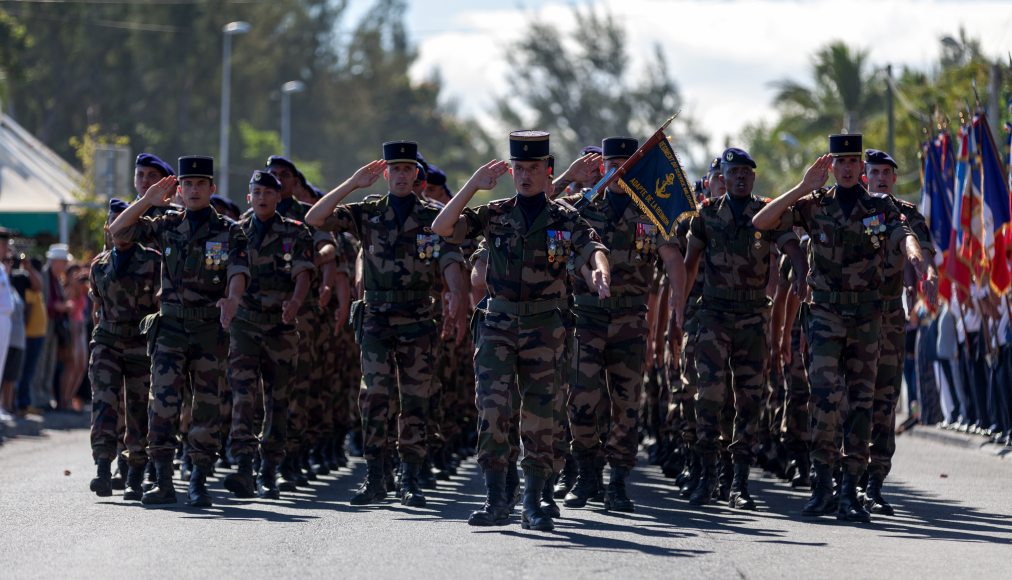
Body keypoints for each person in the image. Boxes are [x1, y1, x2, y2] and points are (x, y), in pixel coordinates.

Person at [431, 130, 610, 532]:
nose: (525, 175)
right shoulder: (495, 212)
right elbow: (443, 227)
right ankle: (497, 499)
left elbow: (593, 249)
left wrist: (600, 273)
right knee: (493, 412)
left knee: (540, 415)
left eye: (533, 168)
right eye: (519, 168)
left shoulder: (564, 218)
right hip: (497, 325)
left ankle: (534, 502)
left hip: (545, 329)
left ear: (548, 172)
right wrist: (473, 185)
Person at [752, 134, 930, 523]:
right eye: (841, 161)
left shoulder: (879, 206)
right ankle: (822, 486)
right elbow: (761, 221)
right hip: (825, 318)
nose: (848, 168)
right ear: (830, 165)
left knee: (861, 405)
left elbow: (905, 237)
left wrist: (916, 263)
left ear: (861, 168)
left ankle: (851, 489)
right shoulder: (815, 206)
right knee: (826, 399)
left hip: (868, 321)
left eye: (854, 162)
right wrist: (802, 186)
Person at [306, 141, 467, 508]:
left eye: (407, 169)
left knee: (415, 399)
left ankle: (411, 478)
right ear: (386, 174)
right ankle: (376, 477)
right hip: (376, 320)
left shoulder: (433, 217)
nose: (400, 175)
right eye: (394, 169)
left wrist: (456, 296)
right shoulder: (368, 213)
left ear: (416, 175)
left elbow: (450, 259)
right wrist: (352, 183)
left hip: (417, 320)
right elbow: (315, 218)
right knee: (375, 397)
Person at [110, 155, 248, 508]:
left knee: (205, 405)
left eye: (200, 184)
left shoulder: (230, 230)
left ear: (212, 189)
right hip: (170, 327)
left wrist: (232, 299)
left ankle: (199, 479)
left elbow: (237, 271)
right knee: (164, 404)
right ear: (180, 189)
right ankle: (163, 480)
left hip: (207, 327)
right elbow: (119, 231)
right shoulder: (167, 223)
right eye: (187, 184)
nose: (194, 190)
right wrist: (147, 200)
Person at [563, 136, 687, 513]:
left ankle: (617, 480)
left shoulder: (650, 212)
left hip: (630, 320)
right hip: (586, 317)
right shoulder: (580, 208)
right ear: (602, 167)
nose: (619, 171)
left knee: (626, 404)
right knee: (582, 401)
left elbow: (673, 261)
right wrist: (568, 175)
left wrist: (679, 308)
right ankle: (587, 474)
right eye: (613, 164)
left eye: (626, 164)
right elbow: (541, 205)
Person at [682, 148, 805, 509]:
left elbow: (790, 246)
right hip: (714, 316)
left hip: (753, 317)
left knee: (750, 399)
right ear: (722, 175)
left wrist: (800, 270)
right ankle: (706, 475)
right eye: (733, 172)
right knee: (710, 397)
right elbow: (690, 264)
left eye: (746, 173)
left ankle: (738, 483)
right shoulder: (705, 215)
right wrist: (680, 307)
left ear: (753, 177)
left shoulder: (765, 214)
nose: (740, 177)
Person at [223, 170, 314, 499]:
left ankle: (271, 469)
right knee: (243, 396)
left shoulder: (295, 232)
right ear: (248, 197)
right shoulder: (234, 232)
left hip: (280, 327)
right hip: (245, 324)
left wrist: (295, 302)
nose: (261, 197)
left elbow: (303, 272)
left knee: (278, 401)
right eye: (256, 192)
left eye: (268, 192)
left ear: (278, 198)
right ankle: (244, 465)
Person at [863, 148, 937, 515]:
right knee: (848, 399)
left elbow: (921, 252)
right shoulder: (850, 208)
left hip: (890, 316)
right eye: (873, 172)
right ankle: (847, 476)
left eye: (885, 173)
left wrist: (925, 276)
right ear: (866, 176)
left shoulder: (908, 214)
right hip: (850, 317)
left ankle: (874, 481)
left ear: (894, 177)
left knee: (885, 400)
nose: (879, 178)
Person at [87, 199, 161, 499]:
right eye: (116, 223)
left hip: (139, 345)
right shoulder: (99, 264)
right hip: (107, 343)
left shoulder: (153, 260)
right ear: (109, 228)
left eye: (126, 223)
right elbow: (97, 307)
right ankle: (103, 469)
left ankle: (134, 473)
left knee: (138, 409)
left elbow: (160, 303)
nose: (120, 230)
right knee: (104, 404)